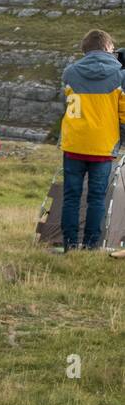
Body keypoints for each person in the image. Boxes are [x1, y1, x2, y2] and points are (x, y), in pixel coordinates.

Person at [59, 29, 125, 251]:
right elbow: (124, 115)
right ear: (108, 48)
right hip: (103, 148)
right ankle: (90, 245)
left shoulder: (70, 73)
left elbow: (72, 107)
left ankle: (69, 244)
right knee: (96, 199)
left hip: (74, 145)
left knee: (71, 197)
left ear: (85, 49)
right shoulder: (121, 75)